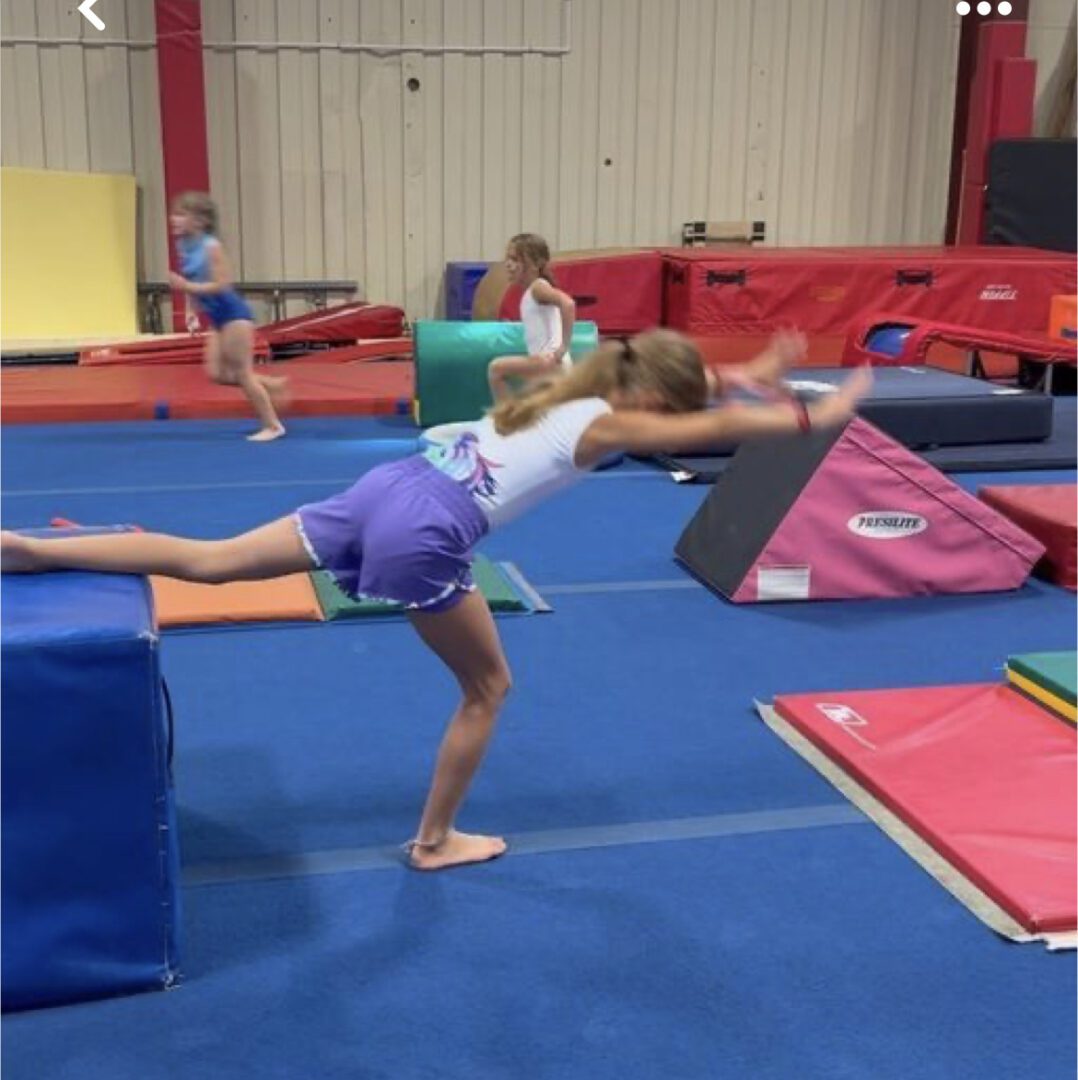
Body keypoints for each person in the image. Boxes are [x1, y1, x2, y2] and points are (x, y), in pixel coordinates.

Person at [0, 330, 872, 871]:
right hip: (427, 529)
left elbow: (678, 384)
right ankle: (433, 842)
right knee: (487, 690)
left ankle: (33, 549)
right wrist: (808, 413)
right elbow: (698, 426)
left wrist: (750, 369)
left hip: (391, 485)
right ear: (650, 396)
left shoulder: (563, 386)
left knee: (215, 557)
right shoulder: (612, 421)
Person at [170, 192, 287, 442]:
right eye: (174, 213)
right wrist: (191, 311)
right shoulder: (184, 246)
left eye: (181, 214)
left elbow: (222, 284)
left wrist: (186, 288)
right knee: (216, 373)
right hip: (217, 318)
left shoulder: (212, 247)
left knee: (243, 373)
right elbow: (191, 279)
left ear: (200, 221)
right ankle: (270, 385)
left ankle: (273, 425)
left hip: (234, 315)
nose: (174, 219)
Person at [487, 233, 576, 402]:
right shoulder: (531, 292)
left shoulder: (537, 288)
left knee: (495, 369)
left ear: (535, 265)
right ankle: (512, 419)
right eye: (507, 258)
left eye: (515, 259)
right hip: (549, 365)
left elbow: (568, 304)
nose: (508, 265)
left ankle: (507, 419)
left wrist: (562, 348)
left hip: (550, 363)